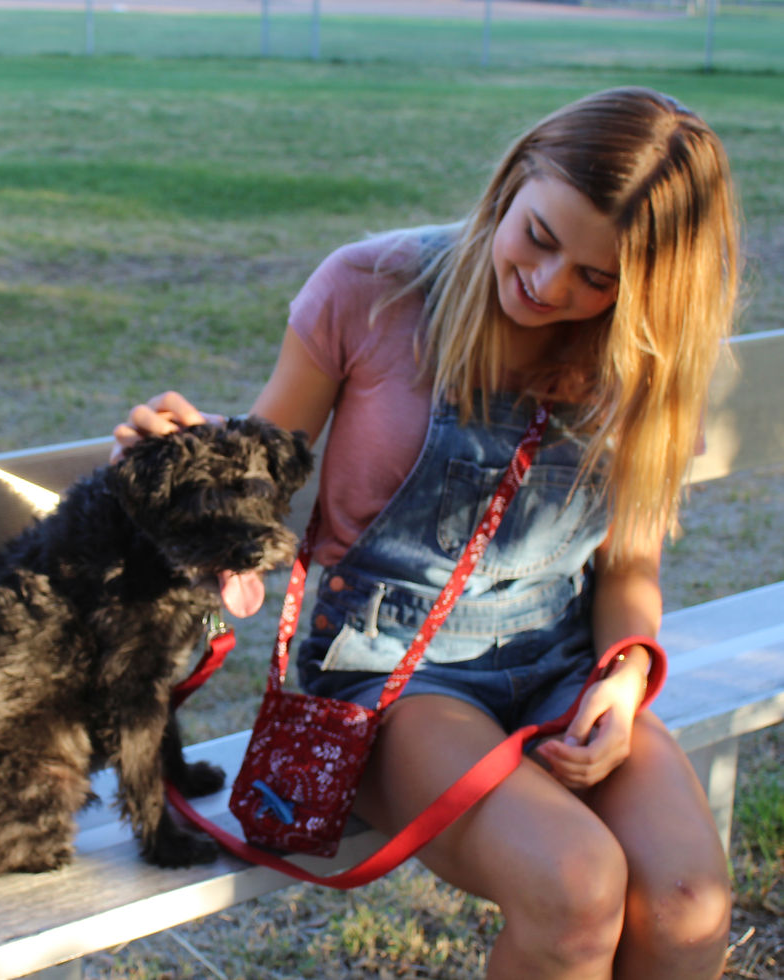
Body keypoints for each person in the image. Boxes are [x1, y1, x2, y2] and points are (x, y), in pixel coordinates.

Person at [113, 87, 740, 979]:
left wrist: (626, 673)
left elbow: (630, 560)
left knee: (687, 906)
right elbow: (262, 479)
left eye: (598, 280)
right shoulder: (371, 290)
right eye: (540, 237)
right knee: (576, 888)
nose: (550, 285)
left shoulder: (642, 357)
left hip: (562, 664)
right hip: (391, 675)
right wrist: (180, 458)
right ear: (514, 180)